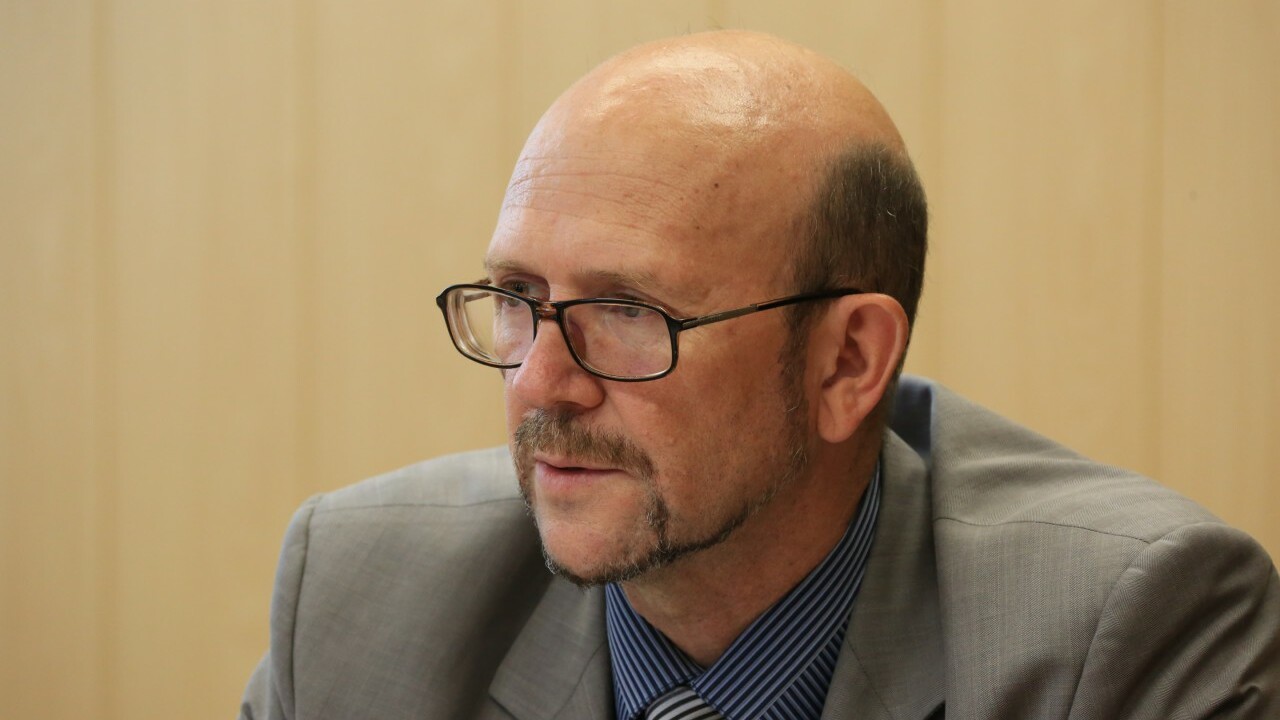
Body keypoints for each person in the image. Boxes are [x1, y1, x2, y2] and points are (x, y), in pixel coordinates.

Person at [240, 30, 1279, 720]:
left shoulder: (1122, 631)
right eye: (518, 296)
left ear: (847, 362)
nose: (540, 383)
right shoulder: (359, 596)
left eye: (627, 311)